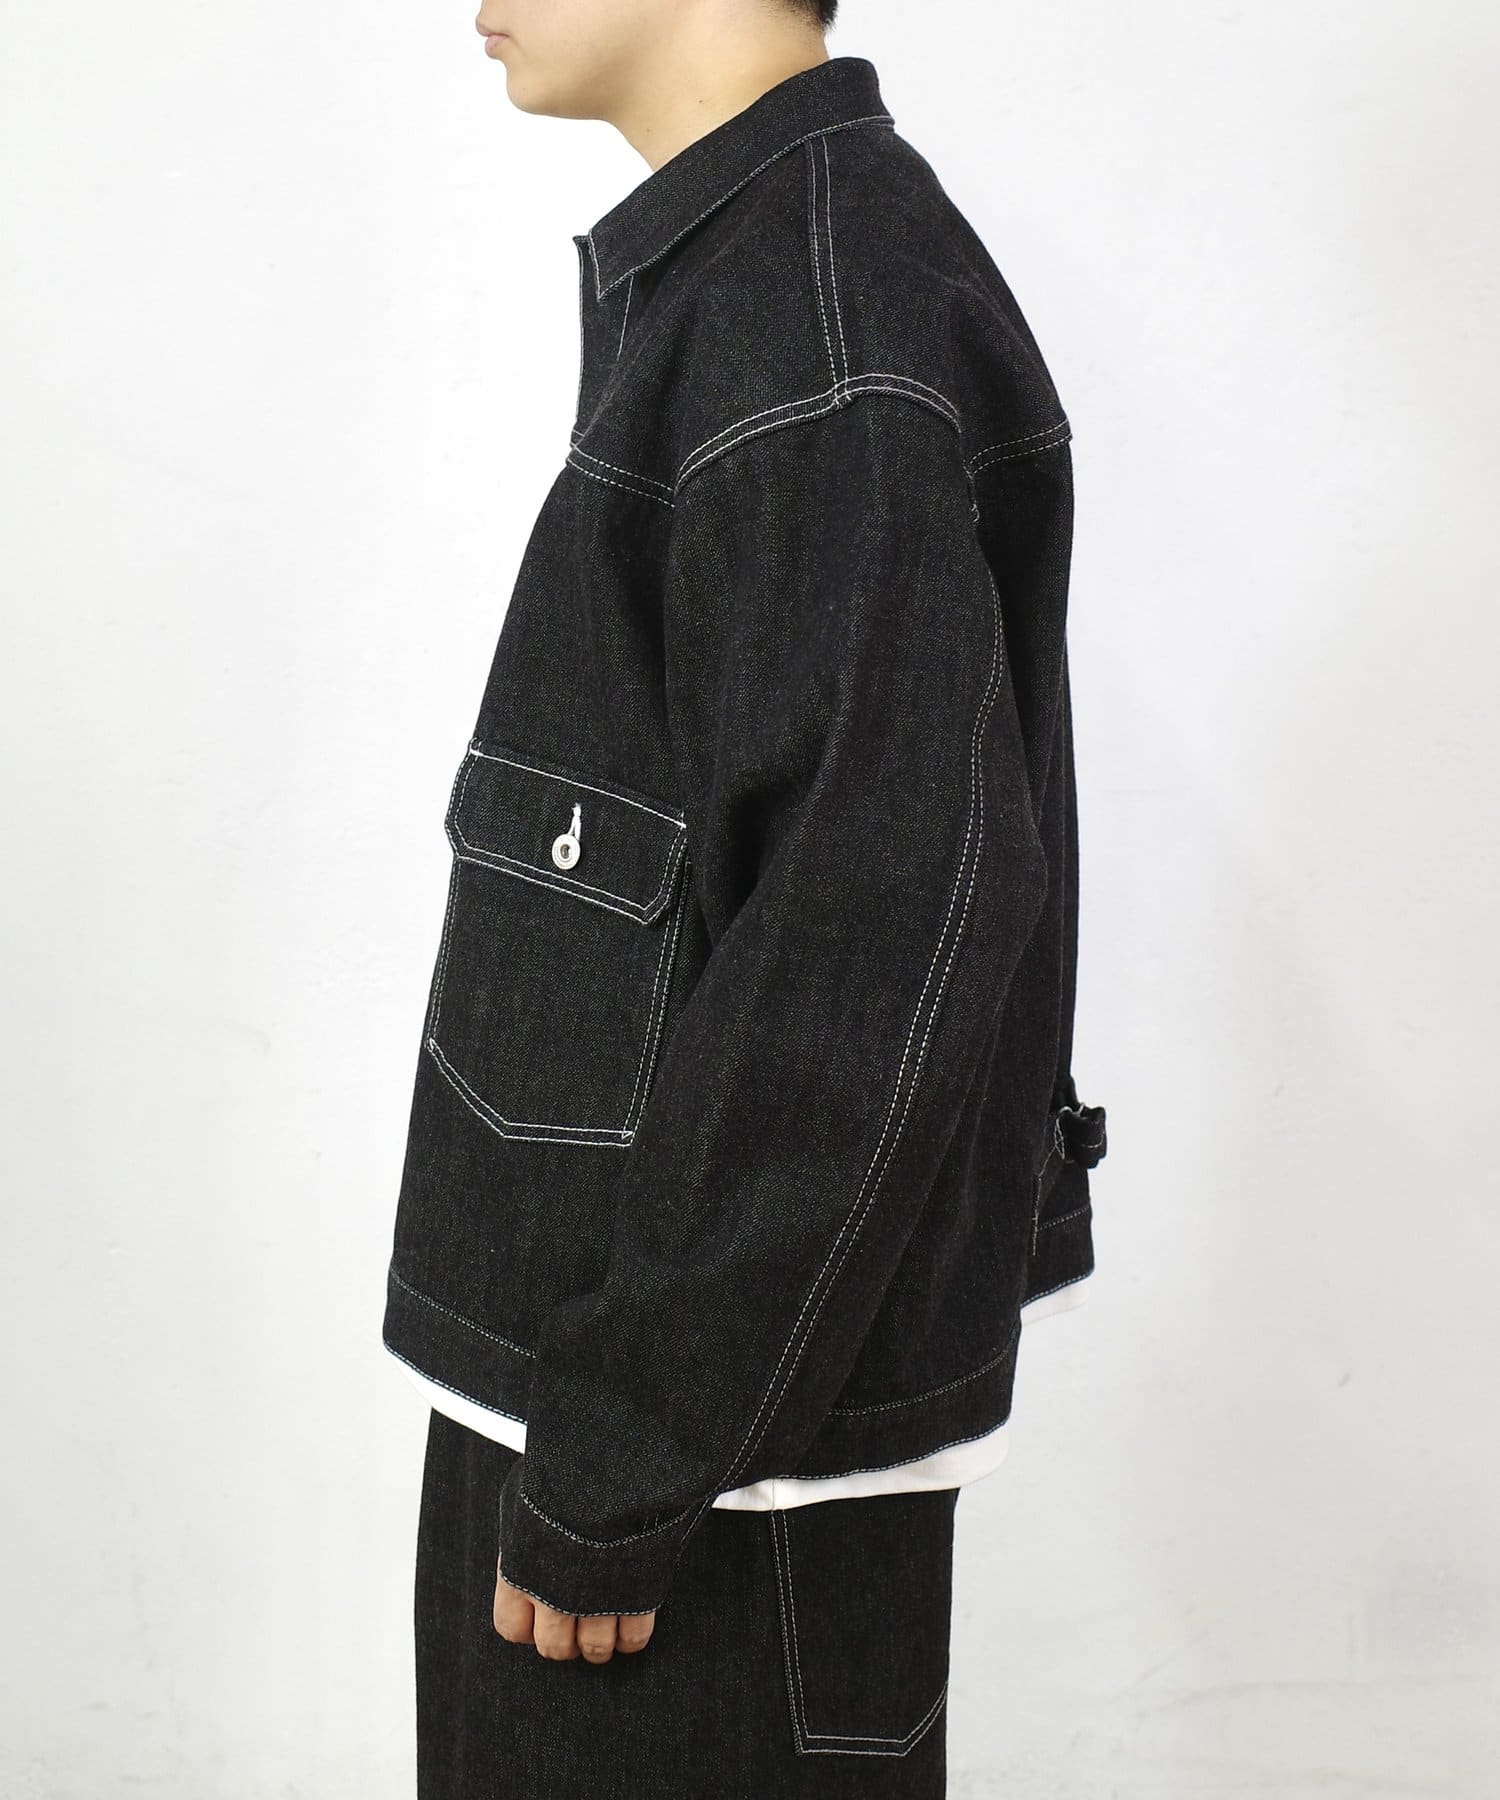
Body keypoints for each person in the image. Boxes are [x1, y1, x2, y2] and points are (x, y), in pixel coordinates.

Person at [381, 3, 1108, 1793]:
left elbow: (874, 952)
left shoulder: (816, 317)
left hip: (696, 1488)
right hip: (643, 1422)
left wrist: (617, 1465)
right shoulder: (766, 280)